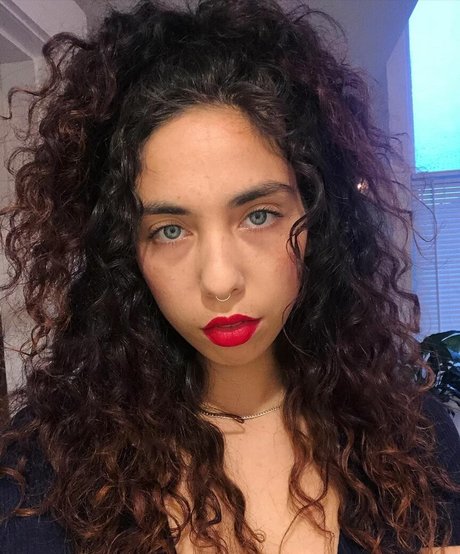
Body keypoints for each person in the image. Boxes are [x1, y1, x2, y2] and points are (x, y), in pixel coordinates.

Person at [0, 0, 459, 553]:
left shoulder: (414, 437)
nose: (220, 282)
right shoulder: (44, 470)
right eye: (171, 230)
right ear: (124, 251)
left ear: (318, 221)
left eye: (259, 216)